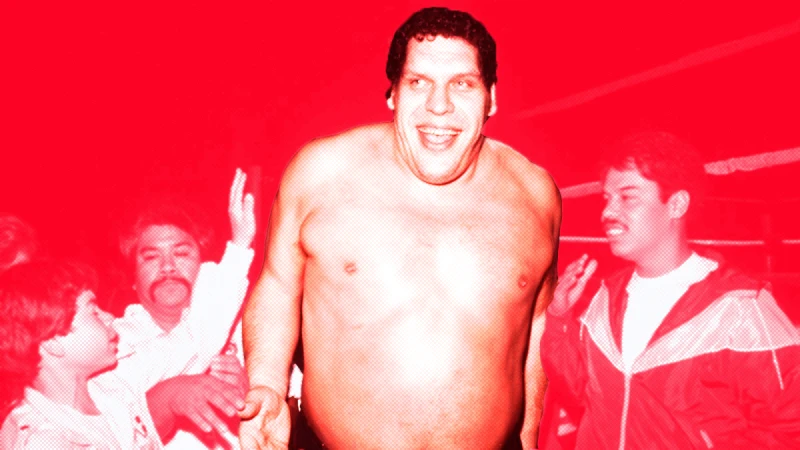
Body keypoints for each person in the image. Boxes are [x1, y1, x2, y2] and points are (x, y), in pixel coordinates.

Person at [239, 7, 561, 450]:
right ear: (393, 93)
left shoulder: (536, 195)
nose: (439, 105)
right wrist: (268, 386)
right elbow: (278, 285)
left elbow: (536, 323)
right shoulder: (319, 174)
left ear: (491, 98)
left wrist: (528, 438)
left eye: (462, 84)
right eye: (418, 82)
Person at [539, 131, 800, 449]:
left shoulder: (741, 308)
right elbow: (579, 392)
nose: (607, 213)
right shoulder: (605, 297)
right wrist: (559, 318)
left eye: (627, 197)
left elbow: (790, 427)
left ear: (676, 204)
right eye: (607, 198)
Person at [95, 168, 259, 449]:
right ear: (132, 278)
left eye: (181, 253)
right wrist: (238, 248)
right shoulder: (110, 345)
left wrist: (250, 394)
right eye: (151, 257)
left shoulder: (245, 329)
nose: (168, 267)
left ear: (204, 269)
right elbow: (114, 432)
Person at [0, 260, 163, 449]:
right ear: (53, 341)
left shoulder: (108, 388)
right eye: (94, 312)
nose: (109, 317)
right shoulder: (45, 442)